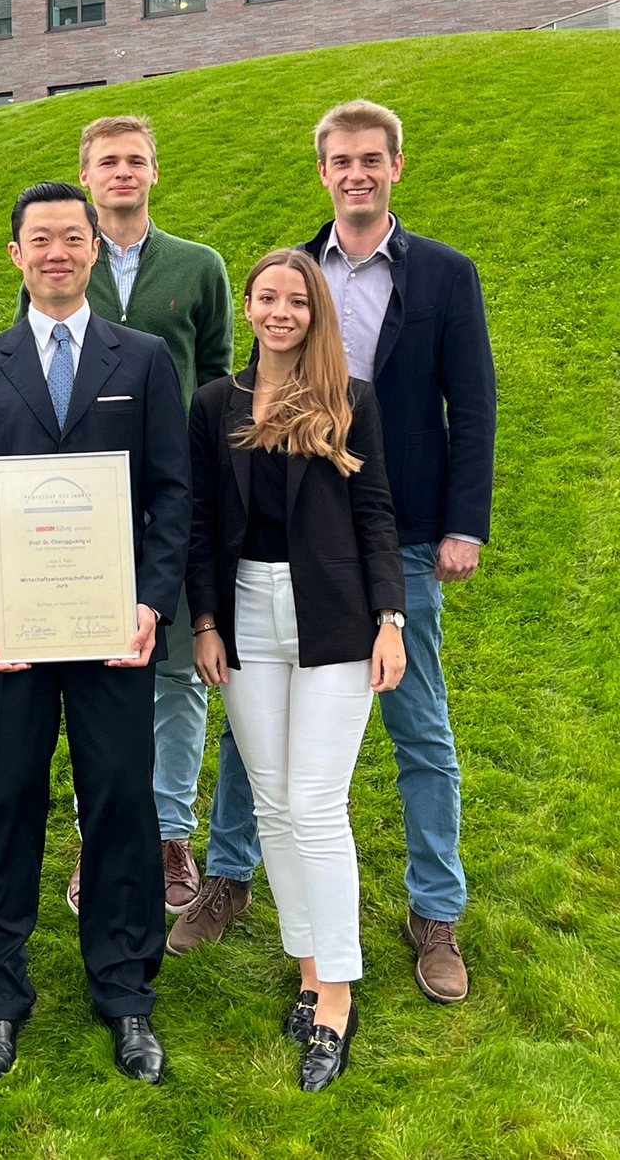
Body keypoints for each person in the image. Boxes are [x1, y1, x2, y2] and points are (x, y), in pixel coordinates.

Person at [178, 100, 496, 1009]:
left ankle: (434, 913)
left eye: (372, 159)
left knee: (419, 730)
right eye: (340, 160)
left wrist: (462, 525)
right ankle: (235, 877)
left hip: (396, 526)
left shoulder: (444, 274)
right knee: (257, 739)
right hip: (275, 545)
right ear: (322, 172)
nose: (356, 172)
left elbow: (471, 404)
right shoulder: (294, 273)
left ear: (396, 165)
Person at [0, 182, 191, 1086]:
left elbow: (171, 496)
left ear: (95, 250)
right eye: (39, 239)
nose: (56, 252)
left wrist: (151, 602)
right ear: (15, 255)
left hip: (110, 632)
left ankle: (124, 992)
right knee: (1, 805)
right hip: (13, 638)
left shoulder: (145, 359)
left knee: (121, 803)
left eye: (71, 238)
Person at [187, 248, 407, 1091]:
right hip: (243, 615)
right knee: (274, 804)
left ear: (315, 311)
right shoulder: (216, 403)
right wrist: (205, 621)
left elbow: (378, 510)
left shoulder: (350, 400)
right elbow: (203, 520)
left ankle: (339, 995)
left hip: (336, 618)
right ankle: (310, 968)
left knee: (316, 803)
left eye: (297, 301)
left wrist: (391, 619)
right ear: (248, 308)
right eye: (267, 299)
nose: (282, 312)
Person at [16, 115, 232, 916]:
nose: (122, 172)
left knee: (174, 672)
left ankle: (170, 832)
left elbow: (215, 385)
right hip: (80, 509)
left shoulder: (199, 268)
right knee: (95, 670)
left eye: (136, 159)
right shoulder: (61, 264)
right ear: (85, 172)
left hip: (169, 500)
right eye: (107, 161)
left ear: (154, 171)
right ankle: (100, 833)